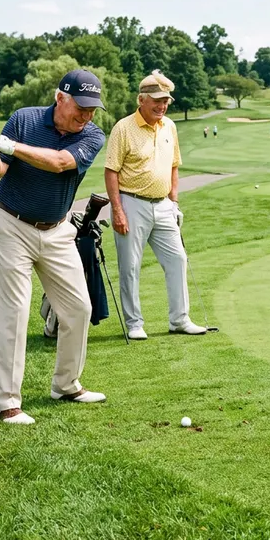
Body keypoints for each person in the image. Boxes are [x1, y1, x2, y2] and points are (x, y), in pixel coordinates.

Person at [0, 69, 108, 425]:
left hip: (58, 230)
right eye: (81, 107)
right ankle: (6, 404)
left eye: (92, 109)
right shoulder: (24, 119)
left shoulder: (92, 135)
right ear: (60, 97)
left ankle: (66, 385)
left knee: (78, 308)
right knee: (14, 312)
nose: (87, 116)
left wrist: (7, 145)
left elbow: (61, 164)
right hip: (12, 226)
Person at [104, 70, 206, 340]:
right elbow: (111, 171)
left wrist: (174, 202)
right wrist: (117, 210)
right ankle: (134, 323)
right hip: (131, 203)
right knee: (130, 266)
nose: (162, 106)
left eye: (166, 101)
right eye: (157, 101)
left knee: (177, 259)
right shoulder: (123, 128)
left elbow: (173, 166)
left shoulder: (169, 126)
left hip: (163, 206)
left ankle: (180, 319)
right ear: (141, 100)